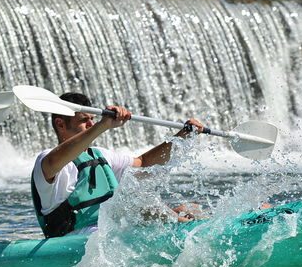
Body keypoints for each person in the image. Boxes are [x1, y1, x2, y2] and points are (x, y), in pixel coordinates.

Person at [30, 92, 205, 238]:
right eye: (85, 120)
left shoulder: (101, 155)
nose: (91, 124)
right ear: (60, 124)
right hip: (74, 240)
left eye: (93, 119)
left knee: (189, 208)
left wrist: (182, 136)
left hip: (109, 232)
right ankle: (187, 228)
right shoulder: (47, 161)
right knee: (140, 206)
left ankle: (190, 224)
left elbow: (144, 164)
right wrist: (103, 125)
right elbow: (56, 160)